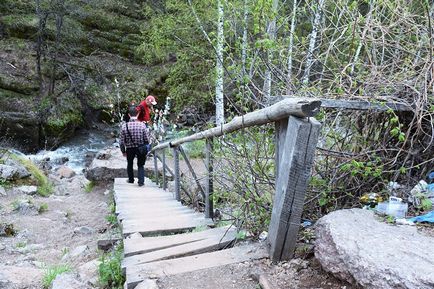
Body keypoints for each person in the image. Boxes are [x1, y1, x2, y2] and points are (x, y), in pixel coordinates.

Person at [119, 105, 150, 187]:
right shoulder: (142, 125)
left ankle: (131, 179)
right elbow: (147, 139)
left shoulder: (124, 126)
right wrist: (146, 147)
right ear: (138, 114)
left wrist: (123, 151)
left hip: (129, 148)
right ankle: (141, 181)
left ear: (129, 115)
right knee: (140, 164)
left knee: (130, 163)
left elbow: (121, 141)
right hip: (140, 148)